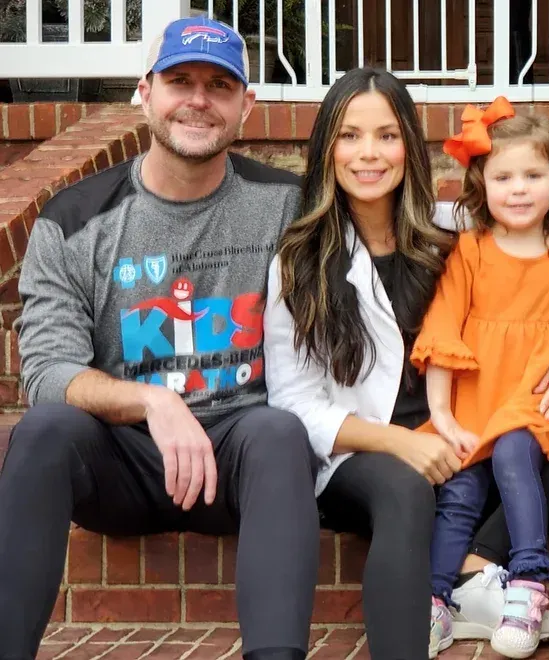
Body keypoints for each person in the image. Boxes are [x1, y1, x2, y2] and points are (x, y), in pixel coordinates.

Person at [0, 17, 320, 660]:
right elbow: (48, 373)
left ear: (245, 105)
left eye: (219, 85)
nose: (198, 99)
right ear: (144, 92)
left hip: (243, 458)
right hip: (125, 462)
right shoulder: (73, 220)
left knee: (280, 432)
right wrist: (153, 402)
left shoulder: (289, 205)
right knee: (42, 431)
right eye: (180, 81)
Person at [263, 69, 549, 660]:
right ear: (325, 149)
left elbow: (547, 295)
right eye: (350, 136)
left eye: (387, 136)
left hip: (469, 431)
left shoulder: (456, 229)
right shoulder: (300, 260)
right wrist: (398, 443)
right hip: (366, 452)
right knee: (407, 487)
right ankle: (426, 623)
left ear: (409, 146)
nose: (369, 154)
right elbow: (293, 402)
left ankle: (467, 572)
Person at [416, 98, 549, 659]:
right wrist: (444, 415)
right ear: (482, 184)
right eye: (503, 177)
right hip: (476, 401)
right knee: (459, 493)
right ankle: (436, 604)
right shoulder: (470, 252)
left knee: (515, 453)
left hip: (533, 402)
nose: (518, 189)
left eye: (532, 175)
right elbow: (443, 331)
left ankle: (526, 583)